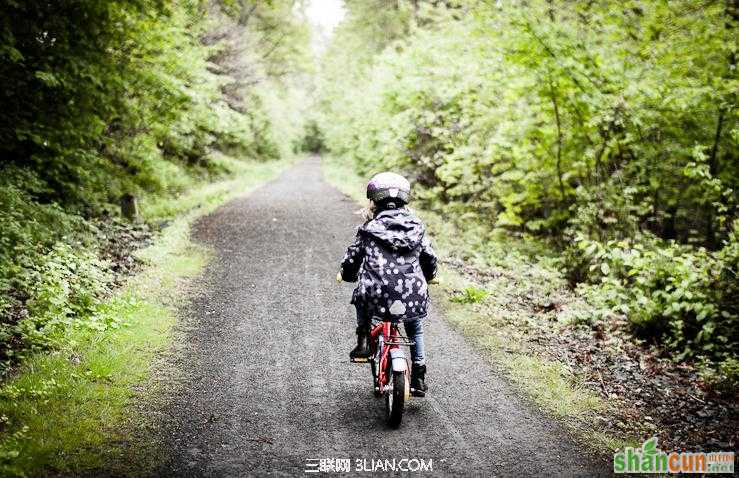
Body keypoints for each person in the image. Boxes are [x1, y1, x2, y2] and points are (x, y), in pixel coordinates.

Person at [338, 172, 438, 396]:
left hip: (377, 292)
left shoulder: (369, 228)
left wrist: (347, 274)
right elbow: (429, 258)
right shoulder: (417, 227)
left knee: (362, 295)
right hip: (412, 293)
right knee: (414, 326)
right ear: (405, 201)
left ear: (374, 202)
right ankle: (419, 374)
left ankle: (363, 340)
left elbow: (353, 258)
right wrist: (430, 275)